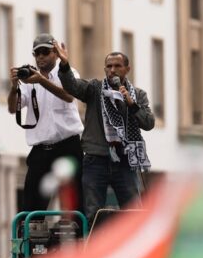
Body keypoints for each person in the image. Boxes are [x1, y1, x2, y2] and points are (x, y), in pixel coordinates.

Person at [54, 41, 154, 223]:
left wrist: (131, 104)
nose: (112, 70)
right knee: (93, 213)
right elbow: (72, 86)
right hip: (96, 159)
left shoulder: (137, 95)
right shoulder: (95, 89)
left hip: (125, 161)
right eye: (109, 66)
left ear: (127, 69)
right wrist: (64, 64)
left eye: (117, 66)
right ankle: (93, 248)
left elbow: (148, 123)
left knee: (133, 213)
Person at [7, 33, 84, 213]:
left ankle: (80, 237)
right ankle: (32, 238)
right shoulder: (28, 79)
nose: (41, 56)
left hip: (68, 147)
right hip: (41, 150)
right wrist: (13, 87)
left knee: (76, 202)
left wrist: (41, 81)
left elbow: (68, 95)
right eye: (37, 53)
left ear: (56, 54)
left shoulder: (68, 73)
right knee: (32, 205)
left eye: (45, 52)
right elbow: (12, 108)